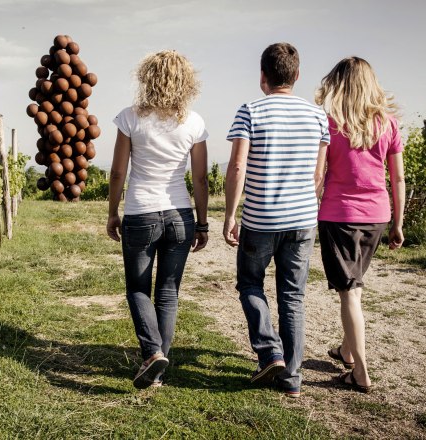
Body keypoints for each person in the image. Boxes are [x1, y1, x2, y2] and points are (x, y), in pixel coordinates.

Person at [224, 43, 330, 398]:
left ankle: (270, 352)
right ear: (297, 75)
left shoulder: (249, 111)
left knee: (251, 284)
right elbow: (319, 174)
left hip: (260, 218)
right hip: (302, 219)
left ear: (262, 76)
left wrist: (230, 214)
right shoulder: (318, 116)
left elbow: (238, 166)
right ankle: (292, 378)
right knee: (293, 296)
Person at [106, 50, 209, 390]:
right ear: (186, 82)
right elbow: (200, 180)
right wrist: (202, 221)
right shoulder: (194, 122)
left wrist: (112, 212)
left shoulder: (130, 118)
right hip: (180, 215)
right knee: (168, 292)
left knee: (137, 289)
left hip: (141, 212)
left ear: (146, 78)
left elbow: (119, 171)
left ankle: (152, 353)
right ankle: (157, 371)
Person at [314, 57, 405, 393]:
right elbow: (397, 177)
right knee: (356, 283)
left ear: (338, 84)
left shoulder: (329, 123)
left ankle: (360, 373)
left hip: (338, 216)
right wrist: (399, 221)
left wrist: (309, 206)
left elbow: (319, 174)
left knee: (349, 291)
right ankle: (347, 350)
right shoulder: (388, 124)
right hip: (377, 216)